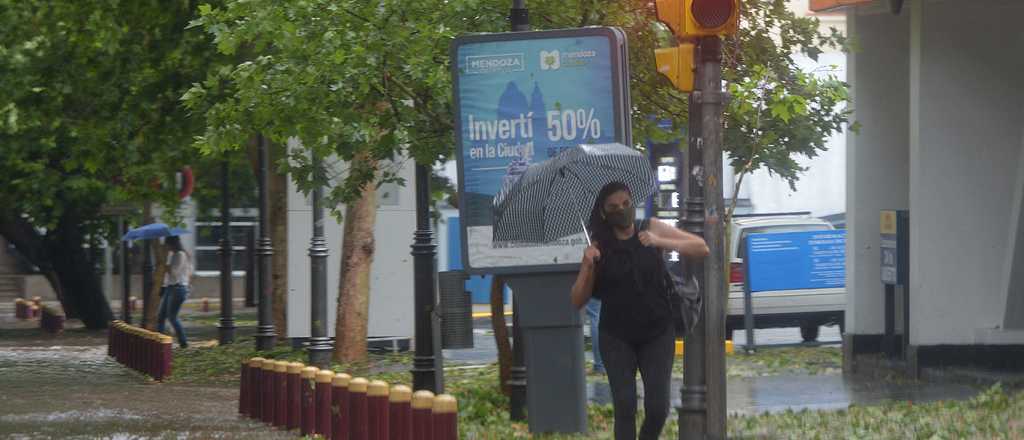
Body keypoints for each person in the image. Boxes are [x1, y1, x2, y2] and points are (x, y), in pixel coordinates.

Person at [570, 181, 709, 440]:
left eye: (626, 203)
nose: (621, 210)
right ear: (604, 213)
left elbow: (701, 247)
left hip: (657, 332)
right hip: (616, 336)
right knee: (625, 406)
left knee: (658, 408)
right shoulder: (597, 246)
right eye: (613, 207)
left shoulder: (650, 227)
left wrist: (659, 240)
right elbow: (577, 299)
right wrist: (588, 265)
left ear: (633, 203)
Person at [157, 235, 192, 348]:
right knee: (161, 316)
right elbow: (169, 276)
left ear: (172, 244)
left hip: (178, 289)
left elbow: (174, 273)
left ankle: (183, 343)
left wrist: (164, 265)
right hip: (170, 288)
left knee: (172, 317)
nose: (166, 247)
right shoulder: (173, 255)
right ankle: (159, 342)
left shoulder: (180, 255)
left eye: (167, 245)